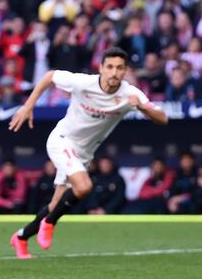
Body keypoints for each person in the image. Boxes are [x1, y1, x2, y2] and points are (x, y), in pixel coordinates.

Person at [9, 47, 168, 259]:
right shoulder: (83, 83)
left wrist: (142, 108)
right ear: (101, 68)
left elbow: (163, 119)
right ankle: (50, 222)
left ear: (125, 71)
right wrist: (28, 107)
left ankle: (21, 237)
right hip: (62, 141)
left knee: (56, 204)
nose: (114, 73)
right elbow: (50, 76)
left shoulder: (131, 94)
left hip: (83, 154)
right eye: (109, 67)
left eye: (119, 68)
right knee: (83, 187)